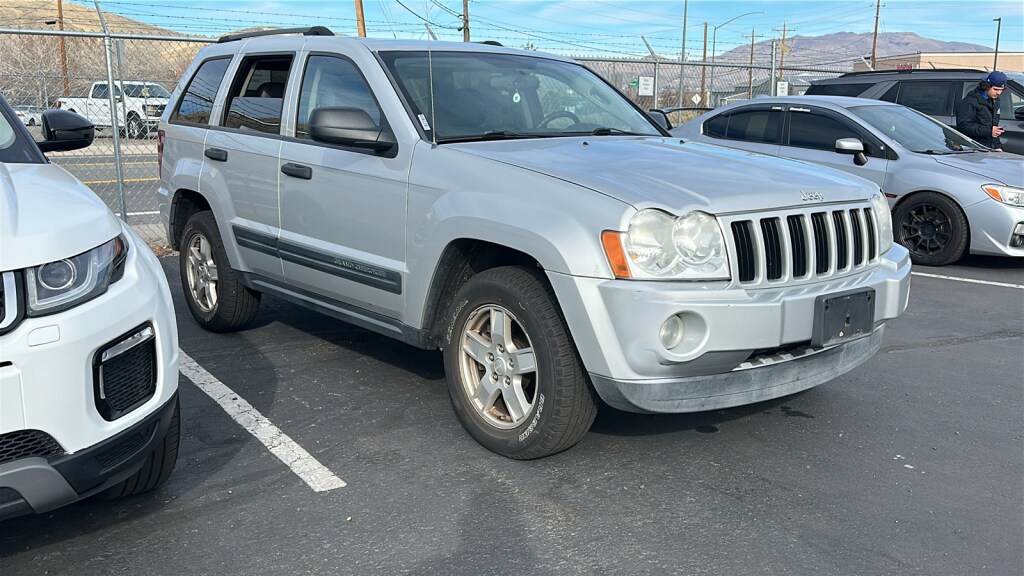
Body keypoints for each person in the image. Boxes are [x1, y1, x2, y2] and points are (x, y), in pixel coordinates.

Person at [955, 71, 1006, 151]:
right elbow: (963, 126)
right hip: (972, 149)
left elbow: (993, 127)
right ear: (987, 86)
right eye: (996, 89)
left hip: (989, 149)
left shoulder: (995, 100)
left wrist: (997, 146)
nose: (998, 93)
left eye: (1001, 90)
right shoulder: (970, 101)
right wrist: (989, 131)